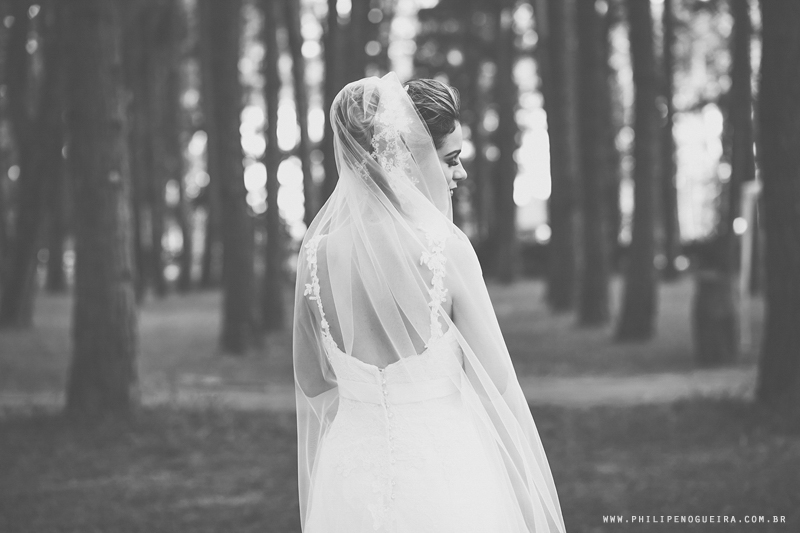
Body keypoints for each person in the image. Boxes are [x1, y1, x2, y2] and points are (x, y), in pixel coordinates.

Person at [293, 72, 566, 533]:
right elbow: (498, 384)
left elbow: (311, 380)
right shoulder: (446, 250)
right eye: (451, 159)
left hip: (351, 478)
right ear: (409, 156)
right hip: (445, 470)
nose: (460, 173)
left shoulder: (316, 256)